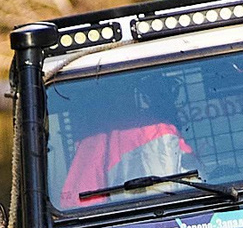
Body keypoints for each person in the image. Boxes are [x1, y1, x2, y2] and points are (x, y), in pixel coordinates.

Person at [57, 81, 194, 206]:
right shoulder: (162, 127)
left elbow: (81, 203)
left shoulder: (93, 141)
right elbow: (196, 178)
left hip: (120, 217)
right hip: (173, 210)